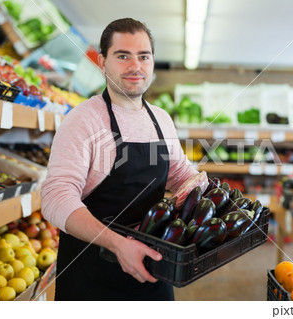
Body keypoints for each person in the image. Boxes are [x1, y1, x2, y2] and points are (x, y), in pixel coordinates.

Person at [41, 18, 199, 301]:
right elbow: (55, 198)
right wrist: (117, 244)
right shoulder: (83, 119)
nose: (135, 66)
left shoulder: (161, 119)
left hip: (154, 275)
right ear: (102, 62)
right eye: (123, 56)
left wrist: (213, 194)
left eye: (143, 56)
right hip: (91, 279)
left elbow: (180, 173)